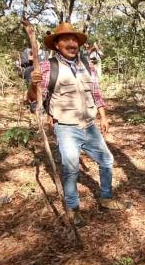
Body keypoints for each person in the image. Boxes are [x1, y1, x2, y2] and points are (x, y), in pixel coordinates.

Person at [26, 22, 128, 223]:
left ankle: (106, 198)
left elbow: (96, 93)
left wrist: (103, 116)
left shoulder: (87, 66)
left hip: (89, 126)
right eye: (66, 40)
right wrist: (33, 83)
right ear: (56, 45)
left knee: (106, 160)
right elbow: (32, 99)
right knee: (71, 168)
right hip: (66, 128)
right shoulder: (47, 67)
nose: (71, 43)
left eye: (74, 40)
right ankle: (72, 210)